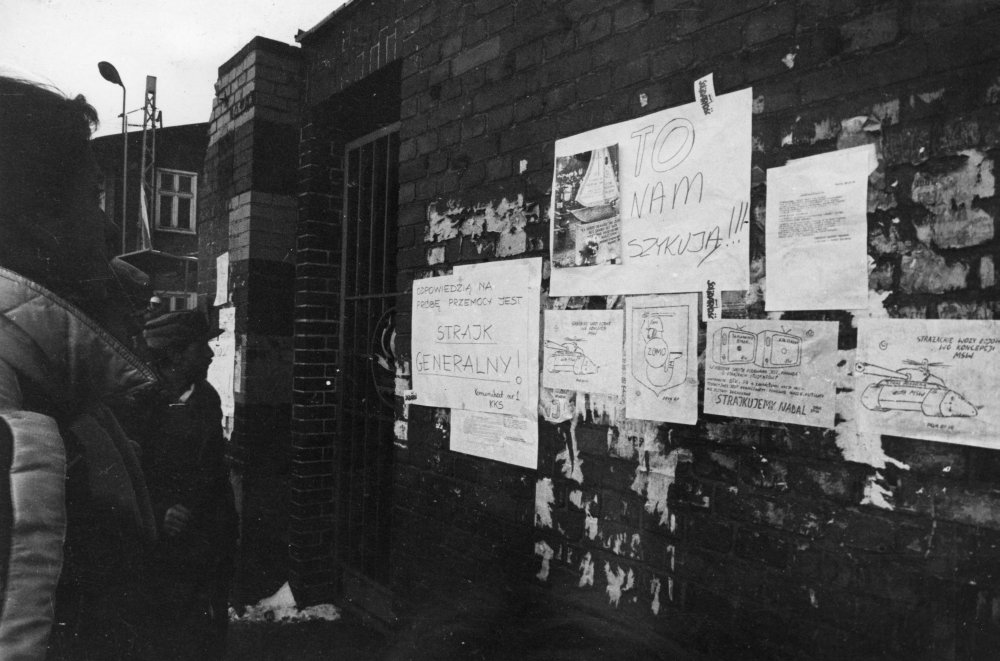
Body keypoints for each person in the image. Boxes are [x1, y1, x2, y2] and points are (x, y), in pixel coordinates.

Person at [0, 76, 160, 659]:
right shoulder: (20, 435)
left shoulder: (53, 395)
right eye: (93, 196)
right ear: (32, 216)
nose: (111, 229)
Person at [128, 309, 238, 661]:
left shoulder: (207, 398)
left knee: (209, 629)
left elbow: (212, 470)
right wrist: (160, 509)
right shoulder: (139, 401)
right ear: (175, 354)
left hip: (209, 535)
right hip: (166, 541)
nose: (209, 354)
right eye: (199, 347)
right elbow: (130, 469)